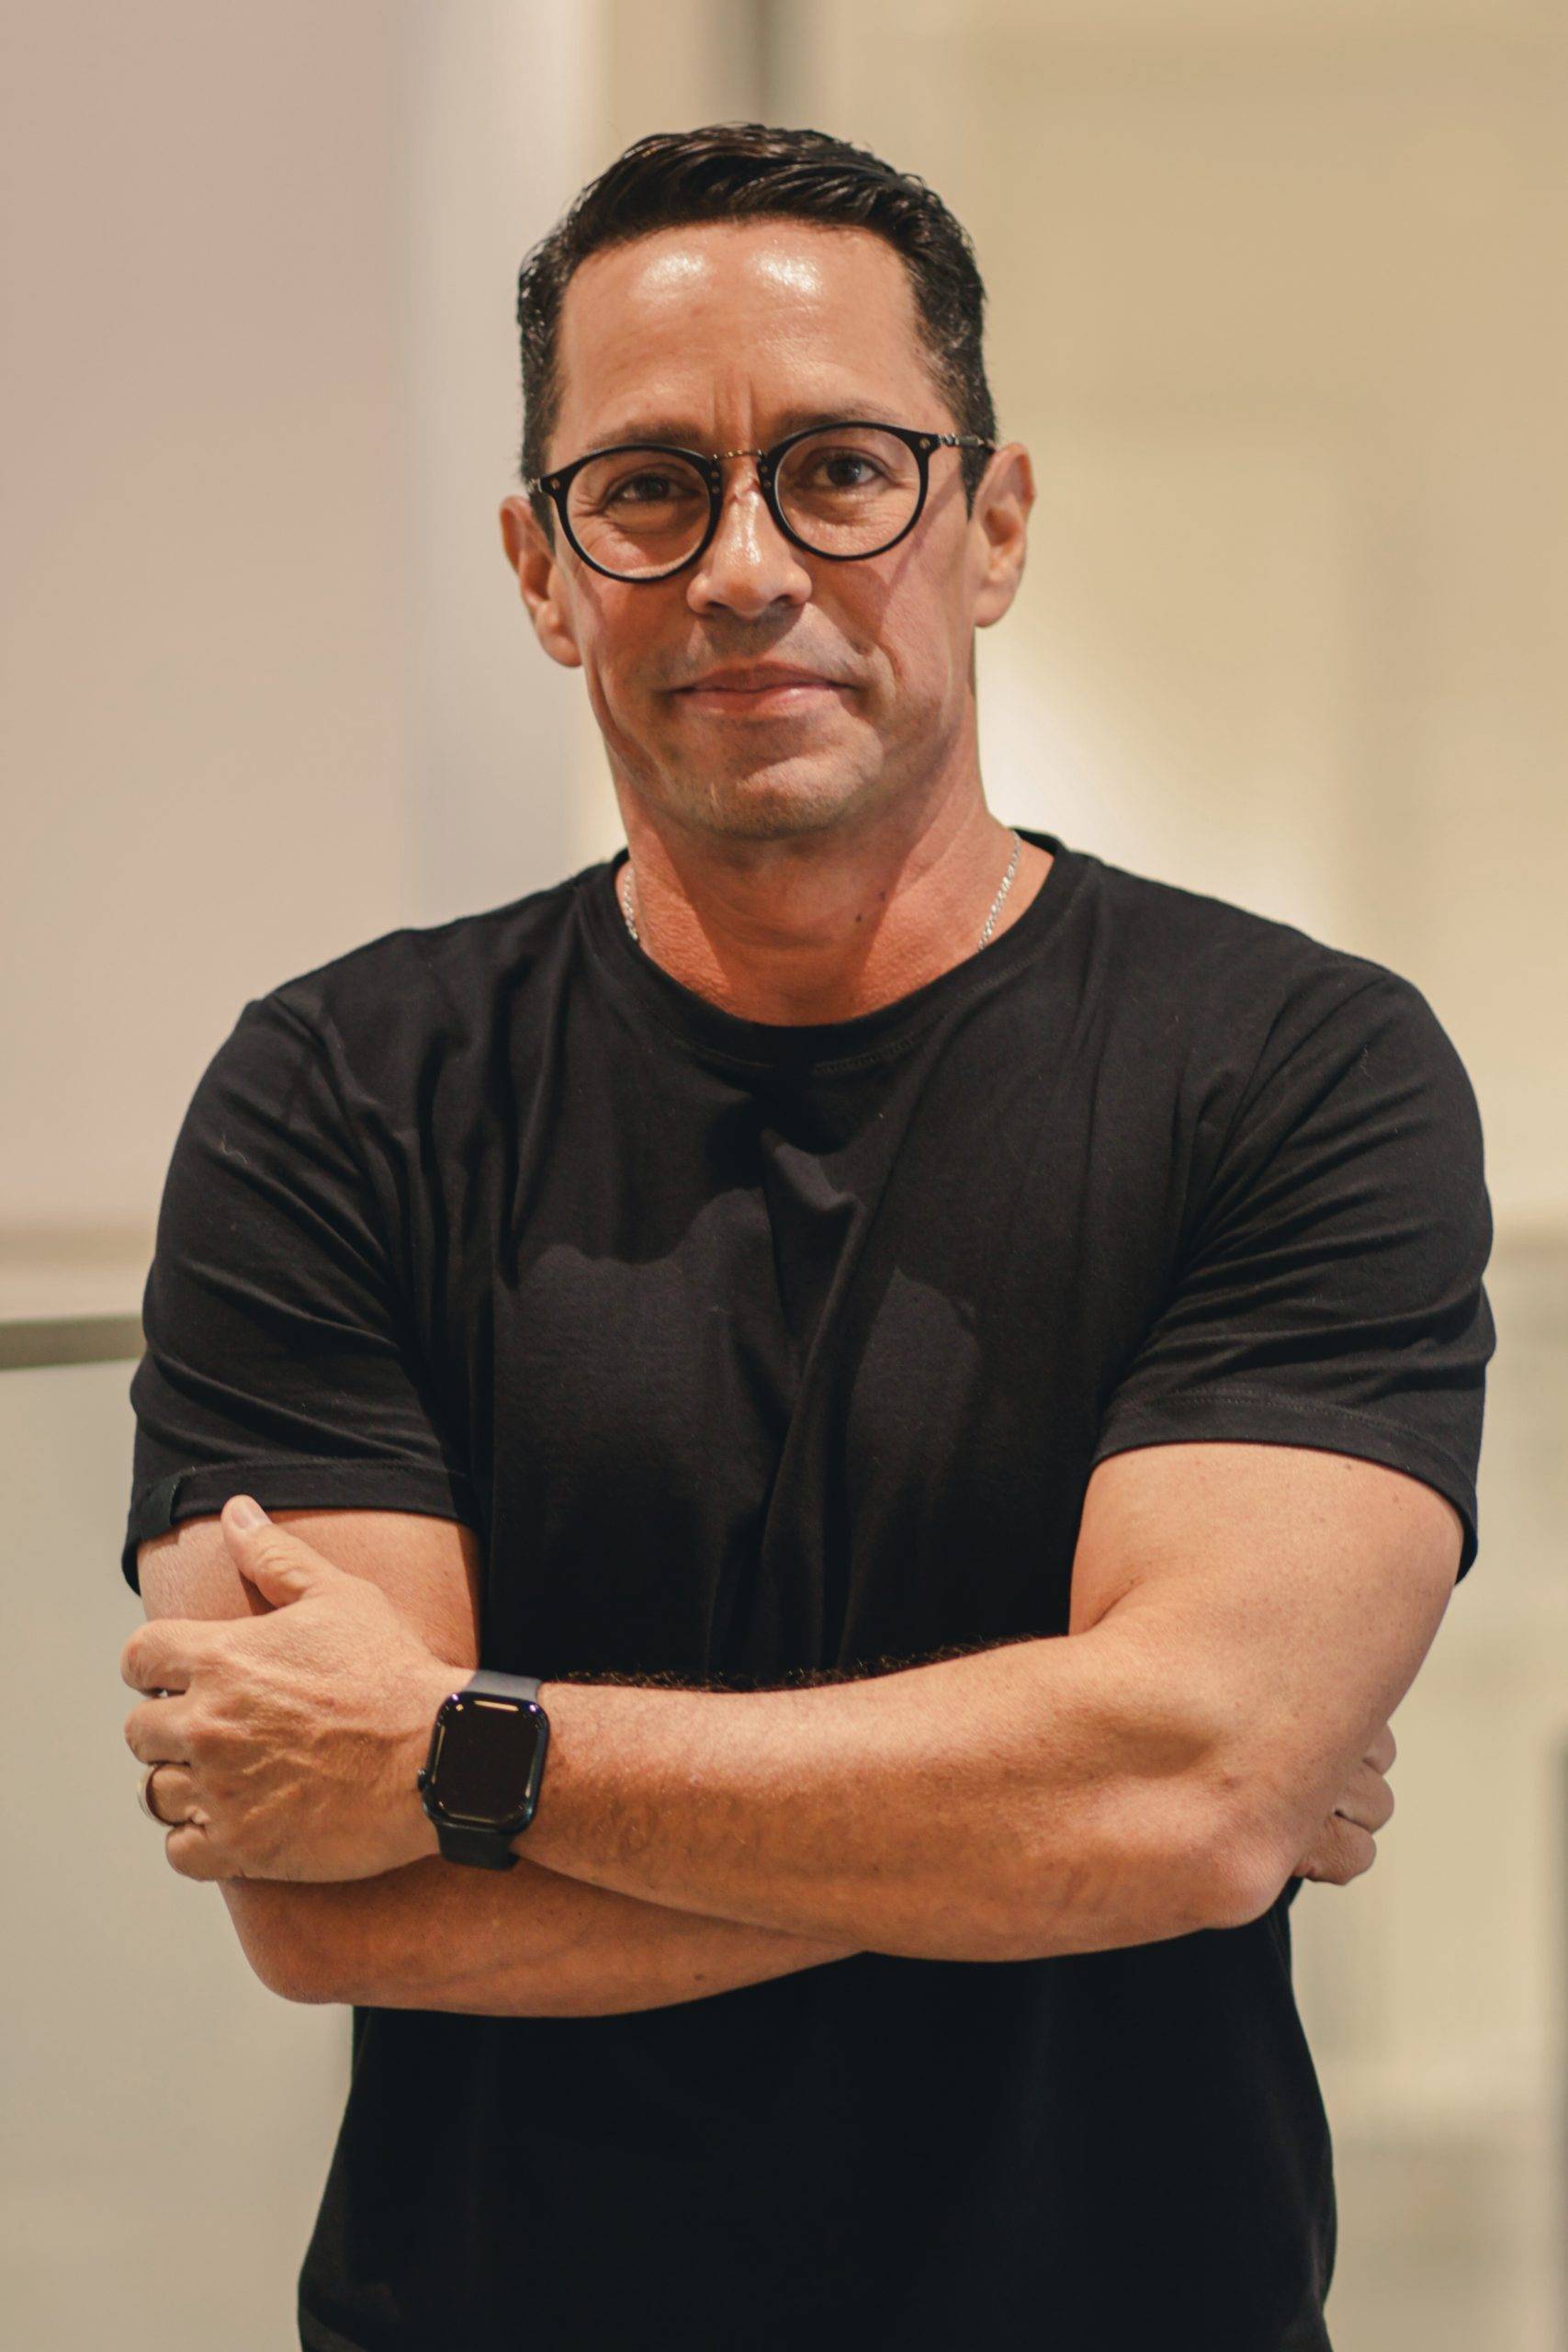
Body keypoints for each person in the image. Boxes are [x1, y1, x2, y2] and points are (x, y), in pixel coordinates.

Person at [118, 122, 1494, 2352]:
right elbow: (326, 1902)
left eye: (840, 470)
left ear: (991, 523)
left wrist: (466, 1758)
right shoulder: (337, 1091)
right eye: (647, 488)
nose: (745, 566)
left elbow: (1186, 1787)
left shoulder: (1291, 1067)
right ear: (541, 569)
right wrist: (1088, 1813)